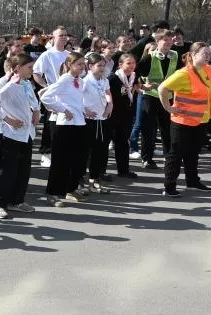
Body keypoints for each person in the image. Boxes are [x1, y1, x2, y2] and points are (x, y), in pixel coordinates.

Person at [157, 42, 211, 197]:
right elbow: (162, 88)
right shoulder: (184, 73)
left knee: (193, 152)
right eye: (205, 54)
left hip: (201, 119)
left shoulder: (209, 70)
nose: (208, 57)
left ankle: (192, 181)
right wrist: (168, 107)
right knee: (176, 154)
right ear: (193, 55)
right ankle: (169, 186)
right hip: (182, 121)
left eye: (209, 54)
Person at [0, 54, 40, 218]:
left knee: (23, 169)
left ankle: (16, 201)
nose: (32, 70)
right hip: (10, 133)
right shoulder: (4, 85)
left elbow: (33, 100)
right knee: (6, 170)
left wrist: (36, 110)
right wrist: (8, 119)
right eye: (29, 67)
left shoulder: (27, 84)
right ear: (17, 68)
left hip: (27, 132)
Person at [40, 52, 88, 207]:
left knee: (77, 159)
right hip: (64, 125)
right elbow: (45, 97)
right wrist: (62, 109)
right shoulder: (65, 79)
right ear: (70, 64)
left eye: (83, 64)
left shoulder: (79, 80)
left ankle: (70, 189)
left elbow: (77, 100)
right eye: (79, 64)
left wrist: (83, 110)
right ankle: (52, 193)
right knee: (60, 161)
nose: (82, 67)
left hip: (79, 123)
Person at [135, 29, 179, 170]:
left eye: (170, 40)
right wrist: (143, 85)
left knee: (167, 129)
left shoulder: (175, 55)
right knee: (149, 129)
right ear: (158, 41)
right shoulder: (150, 56)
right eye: (165, 40)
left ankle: (169, 157)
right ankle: (147, 158)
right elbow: (136, 73)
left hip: (168, 97)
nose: (168, 42)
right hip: (151, 96)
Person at [32, 26, 71, 168]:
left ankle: (61, 151)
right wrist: (46, 87)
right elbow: (36, 73)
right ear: (53, 38)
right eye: (61, 35)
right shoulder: (47, 55)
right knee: (50, 124)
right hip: (53, 94)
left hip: (67, 94)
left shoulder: (69, 54)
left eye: (65, 35)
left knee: (65, 123)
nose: (64, 38)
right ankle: (46, 153)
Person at [82, 53, 114, 191]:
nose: (102, 68)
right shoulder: (85, 81)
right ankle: (81, 179)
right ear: (90, 66)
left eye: (103, 65)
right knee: (86, 150)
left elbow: (108, 93)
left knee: (100, 151)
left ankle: (95, 178)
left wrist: (110, 104)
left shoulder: (104, 80)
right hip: (89, 120)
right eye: (99, 65)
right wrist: (84, 110)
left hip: (103, 119)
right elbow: (76, 97)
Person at [107, 53, 139, 180]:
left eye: (133, 63)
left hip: (126, 115)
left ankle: (123, 170)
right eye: (128, 63)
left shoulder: (133, 77)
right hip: (112, 115)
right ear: (120, 64)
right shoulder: (113, 78)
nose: (132, 66)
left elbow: (133, 91)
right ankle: (100, 172)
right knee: (105, 144)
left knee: (123, 143)